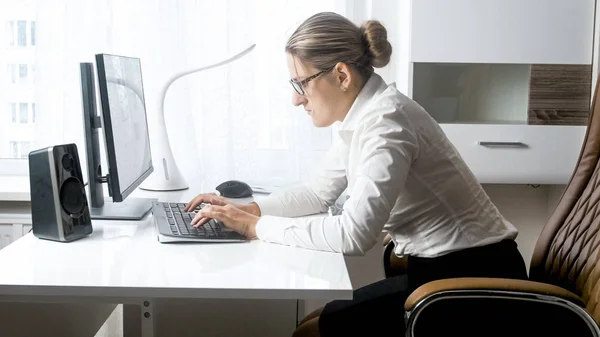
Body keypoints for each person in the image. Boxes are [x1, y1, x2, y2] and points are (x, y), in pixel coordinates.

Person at [184, 11, 528, 337]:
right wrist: (248, 211)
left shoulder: (386, 124)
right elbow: (315, 194)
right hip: (444, 275)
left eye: (300, 83)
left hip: (473, 286)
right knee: (319, 319)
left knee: (313, 331)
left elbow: (353, 235)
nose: (295, 99)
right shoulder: (368, 117)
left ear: (342, 75)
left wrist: (256, 228)